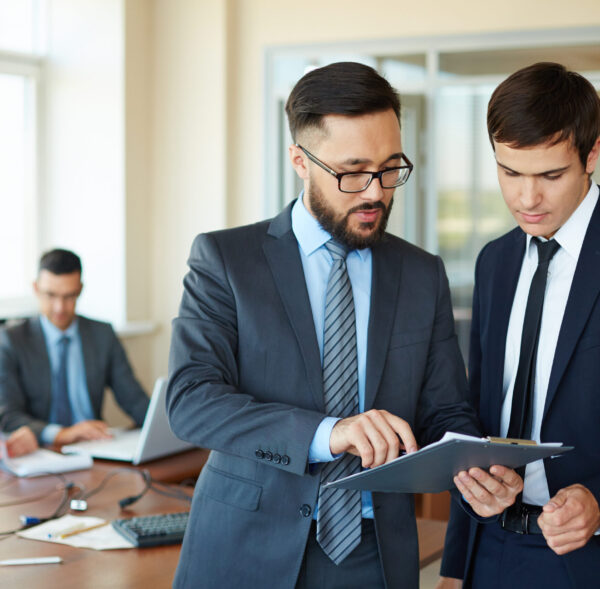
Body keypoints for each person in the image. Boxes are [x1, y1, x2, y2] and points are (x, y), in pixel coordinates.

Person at [167, 62, 521, 589]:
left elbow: (446, 410)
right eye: (353, 172)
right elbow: (191, 399)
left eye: (390, 168)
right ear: (300, 161)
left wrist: (475, 467)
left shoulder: (422, 274)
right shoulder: (225, 259)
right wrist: (328, 433)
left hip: (374, 556)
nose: (376, 193)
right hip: (245, 548)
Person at [437, 62, 600, 589]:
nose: (527, 199)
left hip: (586, 555)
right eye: (510, 173)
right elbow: (479, 408)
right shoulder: (494, 261)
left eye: (550, 175)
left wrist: (598, 498)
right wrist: (455, 565)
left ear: (592, 155)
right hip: (490, 547)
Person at [0, 248, 149, 453]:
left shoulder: (102, 334)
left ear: (80, 289)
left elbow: (134, 400)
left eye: (69, 296)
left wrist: (164, 430)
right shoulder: (11, 340)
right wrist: (61, 434)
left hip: (95, 449)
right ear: (35, 288)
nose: (60, 307)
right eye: (50, 295)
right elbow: (8, 415)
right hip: (42, 452)